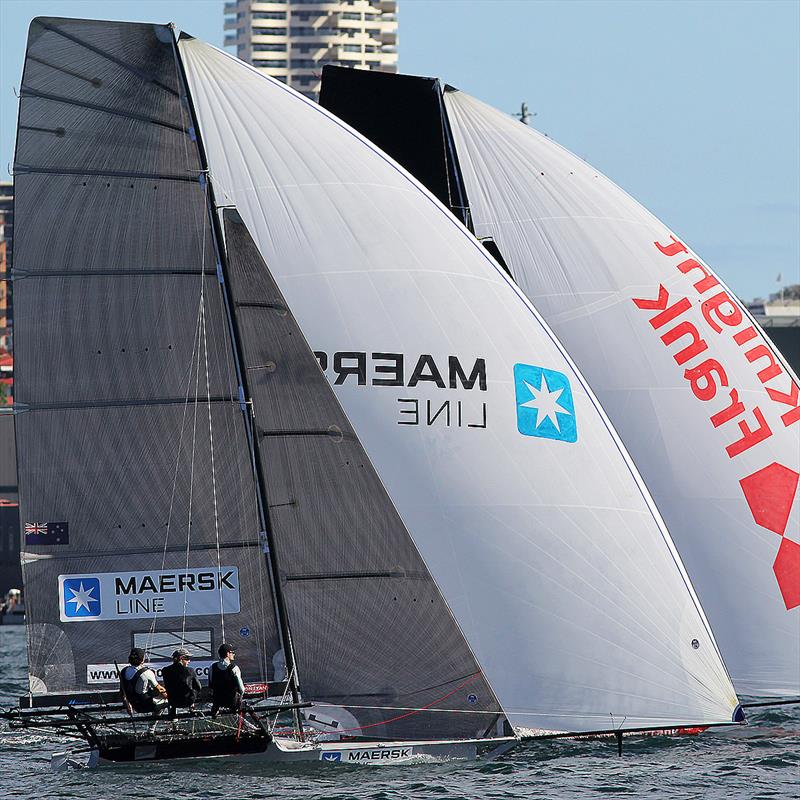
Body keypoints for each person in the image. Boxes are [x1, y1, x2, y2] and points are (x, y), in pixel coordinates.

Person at [119, 647, 168, 726]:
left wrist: (127, 703)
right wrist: (169, 697)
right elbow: (160, 689)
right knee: (168, 702)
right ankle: (153, 729)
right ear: (142, 659)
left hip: (135, 706)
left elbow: (122, 692)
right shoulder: (147, 672)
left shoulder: (123, 671)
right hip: (147, 705)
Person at [161, 648, 202, 722]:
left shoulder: (165, 670)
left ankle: (173, 715)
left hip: (173, 702)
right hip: (187, 701)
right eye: (187, 658)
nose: (189, 661)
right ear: (181, 658)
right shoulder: (190, 670)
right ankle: (191, 707)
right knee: (193, 688)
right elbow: (198, 687)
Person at [209, 643, 245, 717]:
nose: (234, 654)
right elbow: (242, 689)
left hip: (218, 701)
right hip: (232, 702)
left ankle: (215, 710)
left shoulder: (212, 667)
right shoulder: (234, 668)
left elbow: (211, 685)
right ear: (228, 654)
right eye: (232, 652)